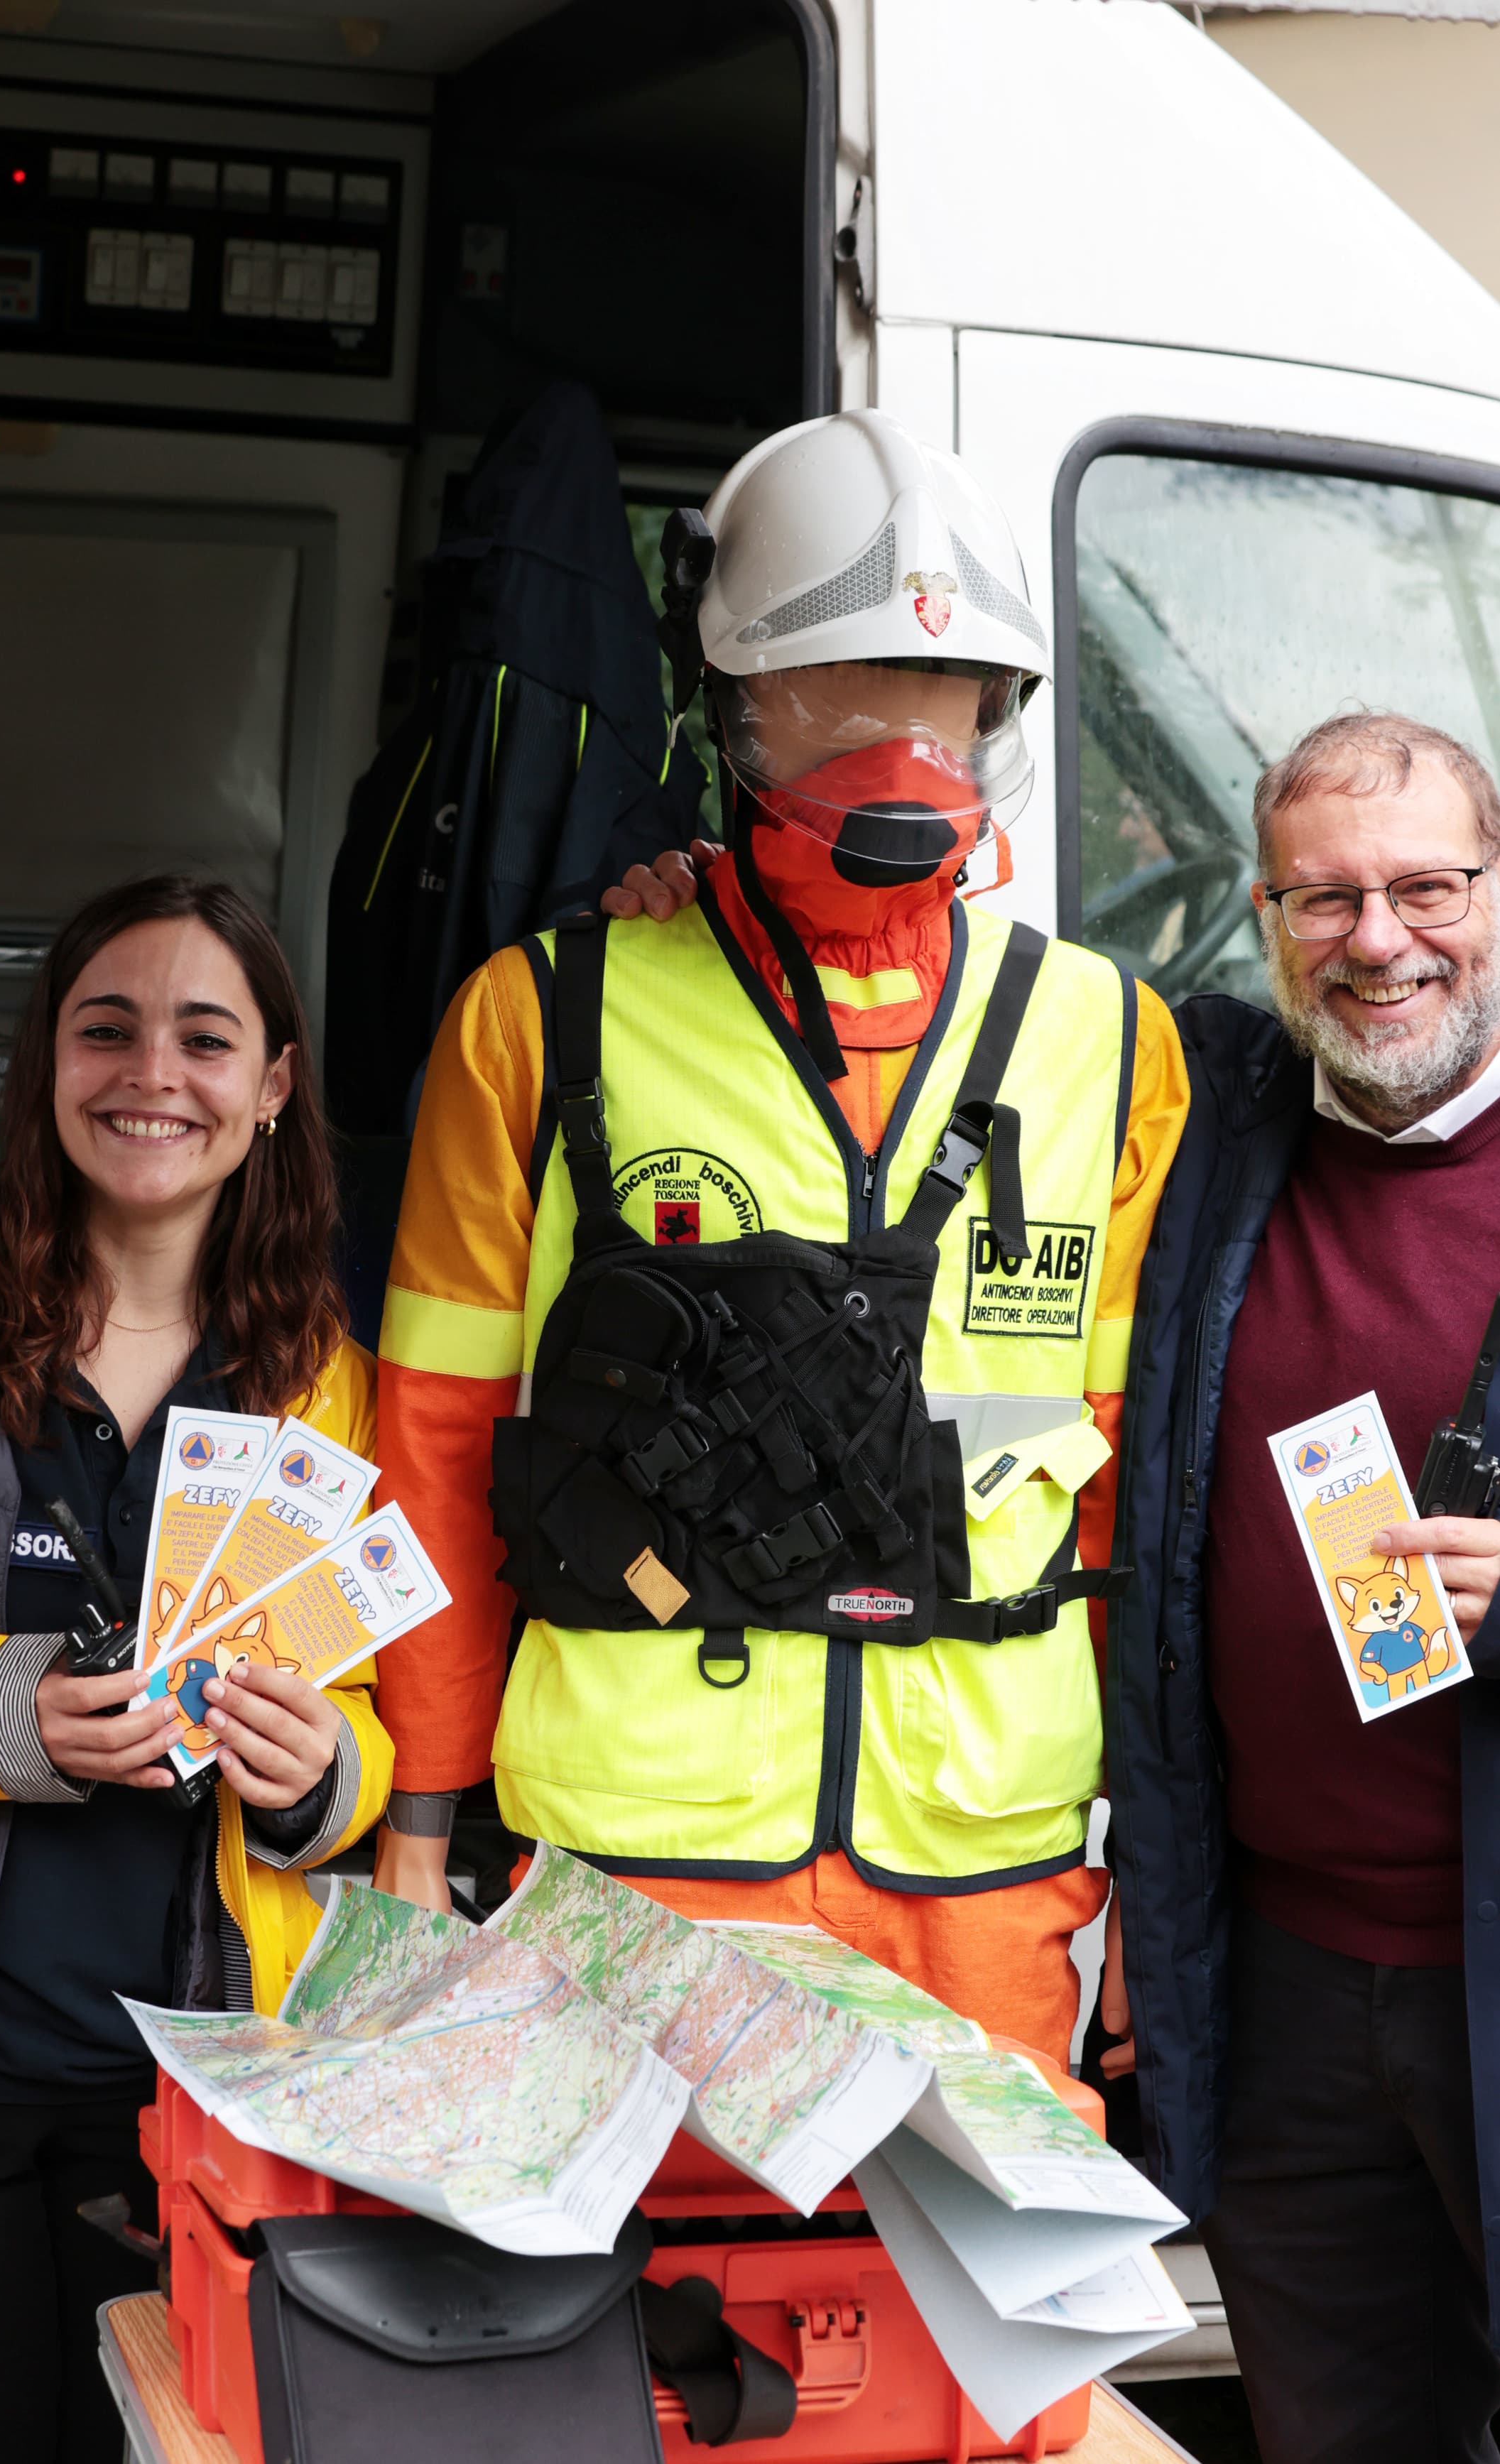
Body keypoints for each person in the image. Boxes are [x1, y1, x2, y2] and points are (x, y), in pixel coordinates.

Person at [372, 407, 1188, 2063]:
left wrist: (1148, 1868)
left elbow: (1129, 1481)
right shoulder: (541, 1021)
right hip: (631, 1858)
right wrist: (416, 1810)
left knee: (978, 2328)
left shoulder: (1112, 1042)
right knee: (604, 2323)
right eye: (834, 707)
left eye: (942, 707)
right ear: (732, 715)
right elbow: (436, 1443)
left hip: (987, 1864)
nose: (896, 757)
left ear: (1003, 713)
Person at [0, 876, 393, 2463]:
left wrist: (324, 1776)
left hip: (200, 2102)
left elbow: (355, 1716)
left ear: (273, 1086)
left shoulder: (321, 1383)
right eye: (107, 1029)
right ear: (49, 1065)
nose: (151, 1073)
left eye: (203, 1037)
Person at [1105, 711, 1500, 2464]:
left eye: (1425, 886)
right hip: (1271, 1976)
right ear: (1264, 915)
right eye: (1323, 896)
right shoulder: (1211, 1118)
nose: (1379, 939)